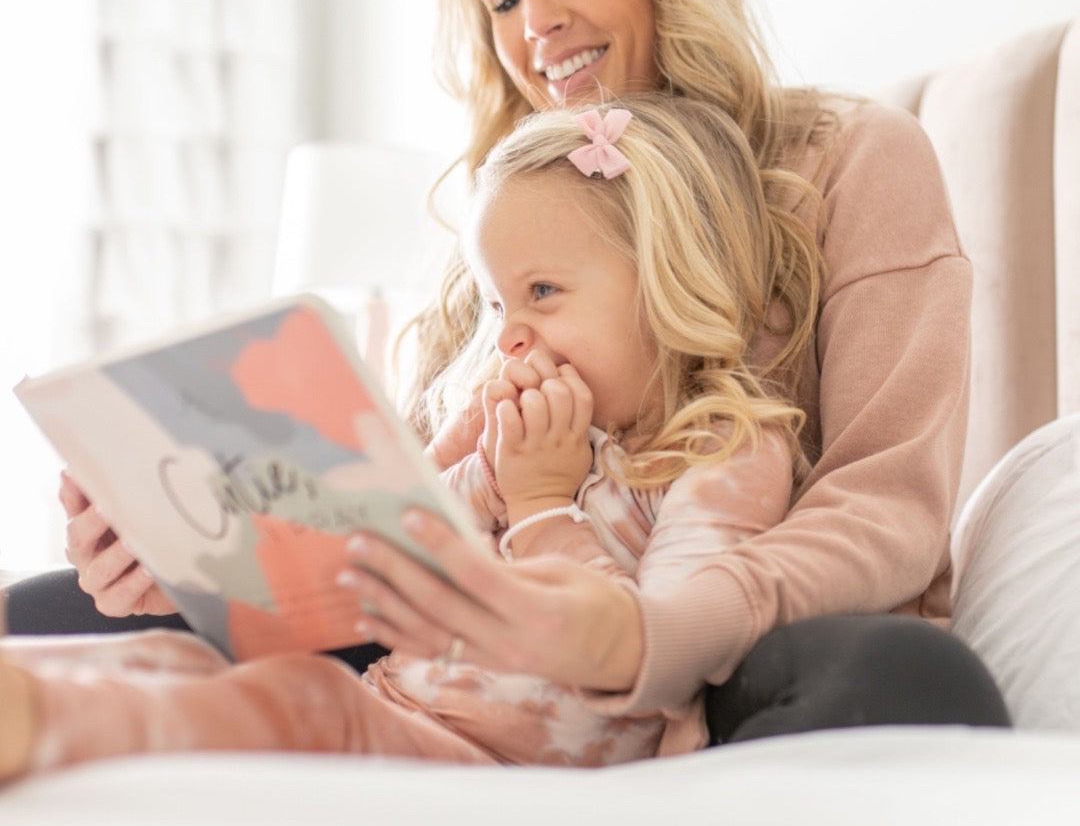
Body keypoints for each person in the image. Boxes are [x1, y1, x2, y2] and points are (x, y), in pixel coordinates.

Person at [7, 0, 1009, 739]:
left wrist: (647, 631)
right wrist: (195, 564)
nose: (537, 28)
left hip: (738, 631)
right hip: (483, 647)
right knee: (37, 620)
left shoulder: (847, 159)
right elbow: (395, 528)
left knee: (911, 678)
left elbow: (884, 507)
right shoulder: (500, 233)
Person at [5, 94, 817, 777]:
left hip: (499, 770)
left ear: (673, 282)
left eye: (543, 291)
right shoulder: (519, 436)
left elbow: (656, 660)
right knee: (196, 665)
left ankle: (41, 723)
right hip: (400, 711)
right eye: (500, 306)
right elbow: (391, 551)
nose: (510, 337)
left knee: (303, 704)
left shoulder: (724, 449)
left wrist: (541, 505)